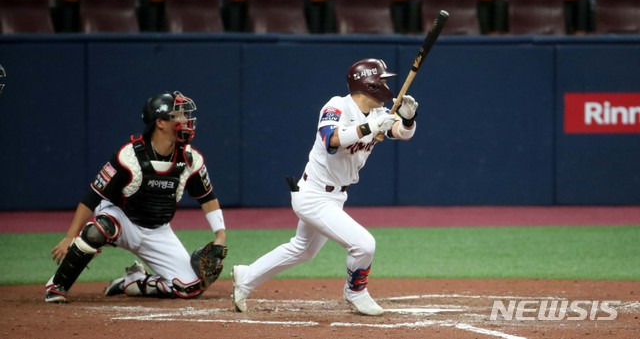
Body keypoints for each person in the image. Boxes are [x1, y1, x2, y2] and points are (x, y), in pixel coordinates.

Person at [231, 58, 419, 316]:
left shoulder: (378, 114)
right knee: (363, 244)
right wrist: (371, 127)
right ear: (369, 84)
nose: (386, 85)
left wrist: (407, 120)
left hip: (336, 196)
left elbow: (402, 133)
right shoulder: (337, 106)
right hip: (313, 195)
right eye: (382, 80)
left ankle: (246, 276)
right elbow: (331, 139)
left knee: (302, 250)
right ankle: (356, 292)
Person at [45, 91, 227, 303]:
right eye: (178, 115)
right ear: (160, 122)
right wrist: (70, 235)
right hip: (122, 219)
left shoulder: (190, 159)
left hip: (157, 230)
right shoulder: (129, 156)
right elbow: (93, 195)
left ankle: (133, 282)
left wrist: (220, 236)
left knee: (190, 288)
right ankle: (58, 285)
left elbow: (208, 198)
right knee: (97, 230)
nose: (185, 120)